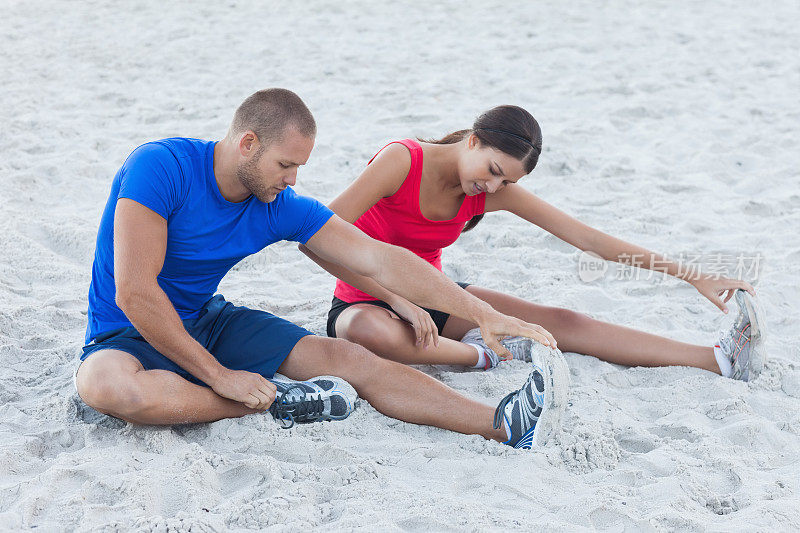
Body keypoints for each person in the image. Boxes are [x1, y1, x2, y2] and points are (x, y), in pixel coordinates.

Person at [74, 89, 569, 449]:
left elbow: (382, 259)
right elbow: (135, 293)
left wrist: (481, 313)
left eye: (300, 169)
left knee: (352, 361)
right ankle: (282, 402)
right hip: (125, 332)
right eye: (286, 165)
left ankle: (504, 424)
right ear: (247, 143)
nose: (293, 180)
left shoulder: (278, 203)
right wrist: (222, 377)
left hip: (209, 322)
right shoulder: (161, 167)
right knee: (105, 387)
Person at [301, 105, 766, 381]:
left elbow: (587, 239)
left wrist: (693, 275)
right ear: (473, 141)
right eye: (493, 170)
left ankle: (717, 360)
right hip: (363, 301)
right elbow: (317, 239)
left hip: (436, 296)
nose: (492, 186)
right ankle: (486, 356)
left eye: (506, 181)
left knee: (566, 321)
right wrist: (397, 302)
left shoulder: (490, 192)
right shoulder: (402, 160)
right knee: (370, 332)